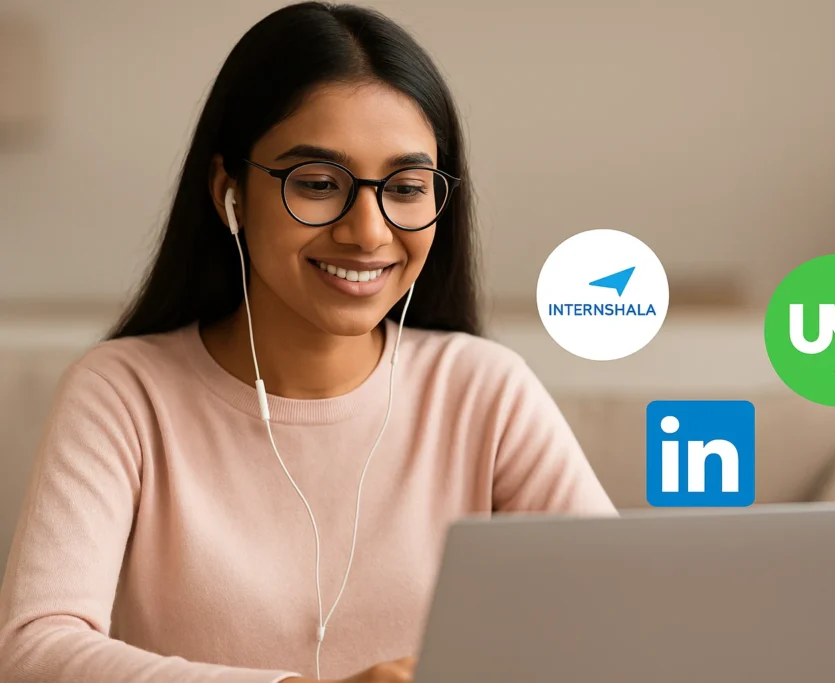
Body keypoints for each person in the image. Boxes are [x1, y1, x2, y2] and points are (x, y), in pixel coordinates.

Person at [0, 3, 616, 682]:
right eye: (319, 184)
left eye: (407, 188)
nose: (369, 232)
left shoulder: (483, 389)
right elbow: (36, 649)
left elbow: (624, 616)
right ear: (228, 190)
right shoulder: (124, 392)